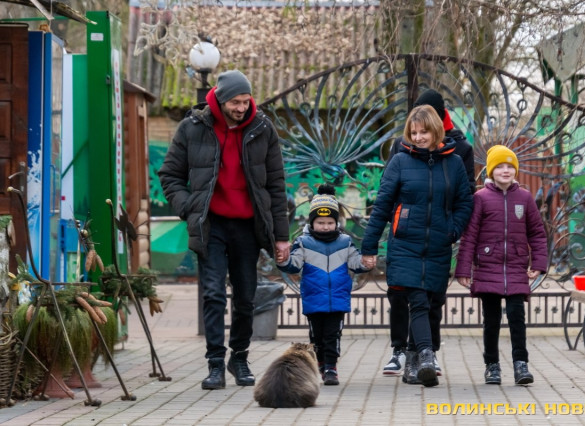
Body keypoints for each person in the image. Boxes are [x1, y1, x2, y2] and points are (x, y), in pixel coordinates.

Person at [159, 70, 290, 390]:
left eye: (246, 101)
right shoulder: (192, 128)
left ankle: (239, 358)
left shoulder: (263, 129)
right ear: (219, 99)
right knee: (214, 294)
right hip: (211, 224)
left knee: (245, 297)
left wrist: (282, 237)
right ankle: (215, 363)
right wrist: (189, 207)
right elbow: (170, 175)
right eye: (235, 102)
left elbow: (276, 185)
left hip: (248, 225)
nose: (242, 108)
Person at [362, 105, 473, 387]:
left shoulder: (454, 163)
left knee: (431, 301)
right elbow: (382, 205)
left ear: (436, 130)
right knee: (418, 300)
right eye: (414, 132)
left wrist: (452, 230)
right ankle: (426, 355)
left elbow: (464, 202)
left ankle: (412, 363)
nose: (419, 137)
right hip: (405, 244)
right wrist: (369, 246)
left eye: (424, 131)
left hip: (438, 244)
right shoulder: (400, 161)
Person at [455, 145, 548, 386]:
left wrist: (538, 263)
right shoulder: (480, 198)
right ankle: (492, 366)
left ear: (515, 170)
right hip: (488, 267)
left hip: (516, 267)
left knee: (517, 317)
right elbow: (470, 236)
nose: (505, 171)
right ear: (491, 171)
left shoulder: (524, 198)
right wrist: (463, 269)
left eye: (509, 166)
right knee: (491, 320)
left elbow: (537, 233)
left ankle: (521, 364)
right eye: (499, 167)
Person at [276, 184, 370, 386]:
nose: (326, 226)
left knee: (333, 334)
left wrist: (364, 263)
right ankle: (319, 363)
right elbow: (294, 265)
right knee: (316, 335)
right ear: (312, 222)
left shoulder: (345, 242)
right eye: (320, 222)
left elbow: (355, 262)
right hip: (314, 298)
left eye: (330, 222)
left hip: (337, 299)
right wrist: (283, 261)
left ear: (337, 222)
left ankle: (331, 367)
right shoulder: (303, 242)